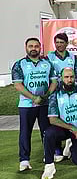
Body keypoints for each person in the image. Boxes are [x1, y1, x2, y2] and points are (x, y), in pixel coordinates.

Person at [12, 37, 57, 171]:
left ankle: (48, 156)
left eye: (36, 46)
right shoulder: (19, 64)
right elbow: (17, 85)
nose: (33, 48)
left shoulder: (47, 63)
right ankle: (24, 160)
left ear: (40, 47)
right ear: (26, 48)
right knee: (25, 132)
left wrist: (45, 96)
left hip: (44, 104)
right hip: (26, 105)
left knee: (47, 132)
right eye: (30, 46)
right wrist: (33, 97)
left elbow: (54, 82)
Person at [42, 67, 77, 179]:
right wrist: (71, 128)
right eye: (66, 77)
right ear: (61, 78)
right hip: (64, 129)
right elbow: (52, 119)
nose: (69, 79)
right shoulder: (55, 95)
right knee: (48, 133)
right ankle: (49, 165)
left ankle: (72, 145)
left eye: (71, 77)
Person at [47, 32, 77, 161]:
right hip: (56, 93)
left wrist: (72, 85)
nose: (59, 45)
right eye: (57, 42)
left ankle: (71, 140)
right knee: (55, 121)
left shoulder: (73, 57)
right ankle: (56, 150)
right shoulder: (49, 57)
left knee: (70, 115)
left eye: (62, 42)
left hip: (70, 91)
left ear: (67, 44)